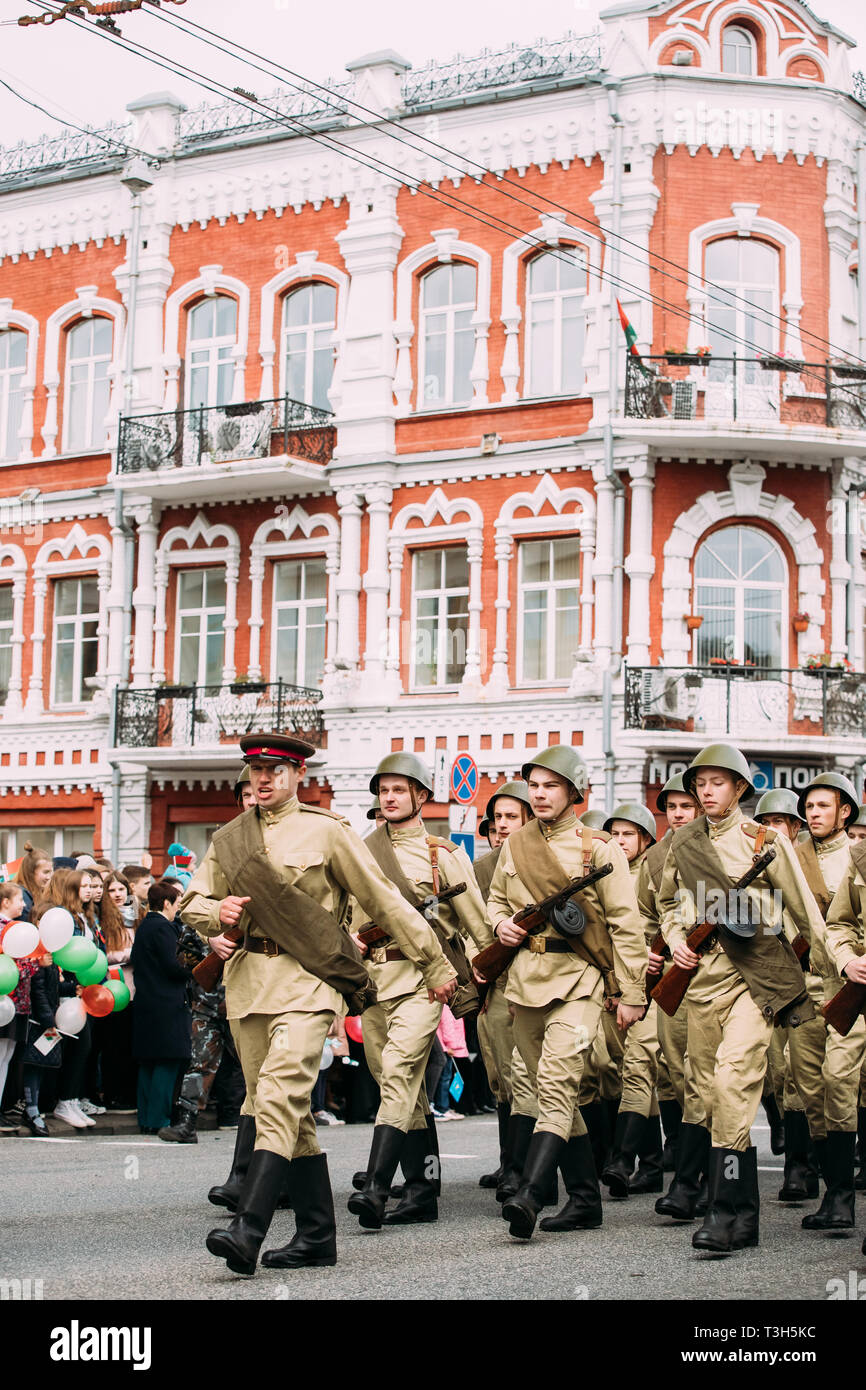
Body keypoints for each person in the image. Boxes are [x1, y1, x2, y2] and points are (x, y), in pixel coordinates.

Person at [178, 732, 457, 1277]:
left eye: (276, 771)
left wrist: (436, 964)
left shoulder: (328, 832)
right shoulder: (229, 838)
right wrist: (216, 916)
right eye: (255, 770)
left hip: (307, 982)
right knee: (282, 1110)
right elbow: (190, 899)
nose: (263, 779)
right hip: (247, 985)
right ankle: (316, 1236)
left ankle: (248, 1228)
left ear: (297, 775)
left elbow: (384, 899)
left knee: (279, 1097)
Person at [657, 743, 823, 1255]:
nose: (707, 791)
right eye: (700, 783)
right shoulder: (681, 842)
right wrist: (677, 939)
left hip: (756, 981)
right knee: (707, 1094)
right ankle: (739, 1215)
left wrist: (840, 972)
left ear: (739, 788)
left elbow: (805, 914)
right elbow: (666, 905)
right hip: (702, 982)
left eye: (718, 782)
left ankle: (725, 1212)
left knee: (732, 1083)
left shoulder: (764, 841)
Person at [484, 745, 648, 1241]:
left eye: (550, 785)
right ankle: (583, 1199)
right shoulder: (515, 845)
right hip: (525, 978)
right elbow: (494, 900)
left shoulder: (598, 849)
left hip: (580, 978)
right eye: (533, 785)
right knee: (552, 1090)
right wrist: (500, 925)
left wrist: (633, 991)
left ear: (575, 791)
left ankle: (531, 1192)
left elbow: (625, 923)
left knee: (556, 1083)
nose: (539, 794)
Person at [349, 753, 490, 1231]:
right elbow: (347, 917)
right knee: (399, 1086)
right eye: (383, 790)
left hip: (424, 981)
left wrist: (480, 978)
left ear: (421, 797)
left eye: (398, 790)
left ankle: (375, 1186)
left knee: (399, 1072)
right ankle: (422, 1190)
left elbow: (476, 924)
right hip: (373, 982)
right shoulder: (359, 851)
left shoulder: (443, 856)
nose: (388, 798)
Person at [795, 772, 862, 1235]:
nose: (815, 813)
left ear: (845, 813)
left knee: (839, 1080)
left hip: (848, 990)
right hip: (805, 984)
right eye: (810, 806)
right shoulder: (790, 856)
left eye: (825, 806)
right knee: (807, 1086)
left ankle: (842, 1198)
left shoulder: (856, 858)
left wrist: (849, 963)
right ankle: (830, 1188)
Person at [473, 781, 538, 1195]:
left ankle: (524, 1167)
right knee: (499, 1073)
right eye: (497, 819)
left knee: (528, 1073)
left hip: (535, 979)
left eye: (511, 817)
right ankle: (507, 1161)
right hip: (496, 982)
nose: (502, 827)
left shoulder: (545, 861)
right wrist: (476, 964)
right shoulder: (482, 869)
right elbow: (470, 922)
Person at [600, 803, 666, 1199]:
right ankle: (654, 1165)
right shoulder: (605, 873)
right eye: (616, 834)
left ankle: (623, 1161)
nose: (621, 841)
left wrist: (659, 950)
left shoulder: (656, 874)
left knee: (640, 1065)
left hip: (655, 984)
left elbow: (677, 920)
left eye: (629, 834)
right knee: (624, 1069)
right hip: (616, 985)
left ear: (644, 839)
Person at [130, 879, 190, 1134]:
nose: (177, 909)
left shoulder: (145, 926)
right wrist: (193, 968)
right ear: (166, 903)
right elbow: (172, 966)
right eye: (177, 903)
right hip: (166, 1004)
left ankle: (146, 1117)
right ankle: (158, 1118)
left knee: (149, 1063)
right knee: (167, 1061)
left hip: (147, 1001)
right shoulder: (162, 928)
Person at [14, 842, 52, 922]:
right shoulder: (22, 896)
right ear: (31, 872)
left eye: (51, 872)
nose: (49, 877)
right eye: (45, 872)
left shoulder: (30, 894)